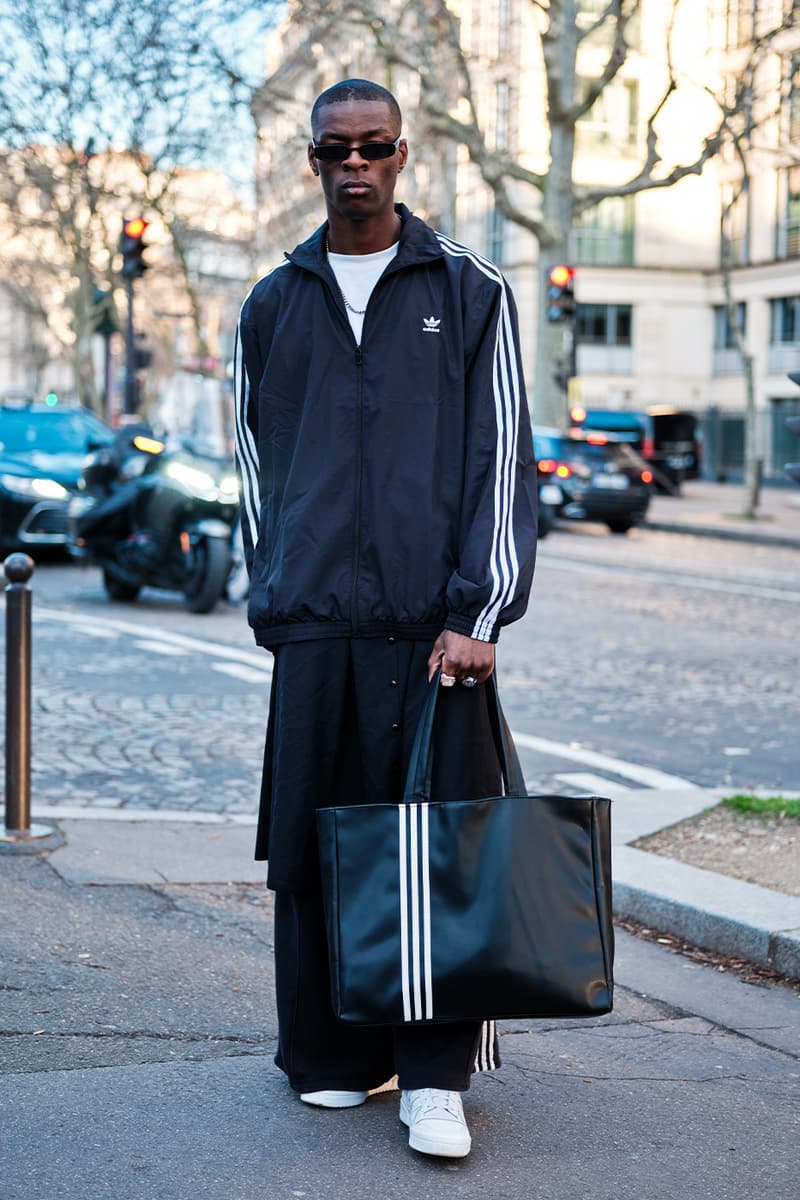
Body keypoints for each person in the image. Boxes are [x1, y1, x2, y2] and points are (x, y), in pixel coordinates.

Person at [234, 78, 537, 1160]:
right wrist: (274, 596)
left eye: (373, 147)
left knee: (434, 851)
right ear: (312, 161)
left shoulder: (467, 289)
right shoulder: (274, 301)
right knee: (314, 847)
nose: (353, 164)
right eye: (335, 150)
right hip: (316, 620)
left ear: (403, 154)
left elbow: (502, 454)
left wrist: (481, 607)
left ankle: (433, 1077)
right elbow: (257, 464)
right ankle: (331, 1055)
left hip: (433, 627)